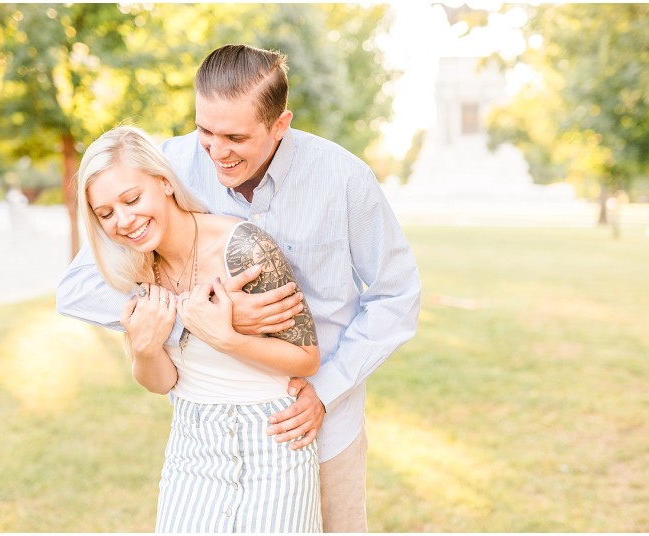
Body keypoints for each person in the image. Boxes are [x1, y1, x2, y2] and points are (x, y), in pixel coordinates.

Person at [57, 43, 421, 532]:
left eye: (234, 136)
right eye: (204, 130)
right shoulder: (166, 166)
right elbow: (80, 286)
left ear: (280, 125)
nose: (216, 150)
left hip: (321, 423)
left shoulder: (344, 179)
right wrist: (199, 315)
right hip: (209, 436)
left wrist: (325, 391)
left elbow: (396, 297)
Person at [77, 125, 322, 532]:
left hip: (273, 444)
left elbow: (306, 358)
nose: (124, 220)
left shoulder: (244, 247)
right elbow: (161, 383)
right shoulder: (136, 267)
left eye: (132, 199)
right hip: (192, 448)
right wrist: (145, 348)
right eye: (105, 214)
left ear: (164, 183)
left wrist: (225, 338)